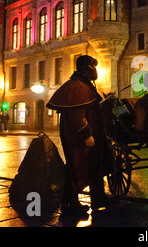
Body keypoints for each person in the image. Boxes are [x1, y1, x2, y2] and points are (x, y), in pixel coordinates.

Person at [47, 55, 111, 214]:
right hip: (79, 140)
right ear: (87, 69)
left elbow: (90, 108)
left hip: (90, 137)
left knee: (94, 166)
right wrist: (86, 134)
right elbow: (77, 114)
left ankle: (98, 198)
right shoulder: (77, 86)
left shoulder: (83, 84)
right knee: (76, 167)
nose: (96, 71)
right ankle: (70, 204)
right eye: (94, 68)